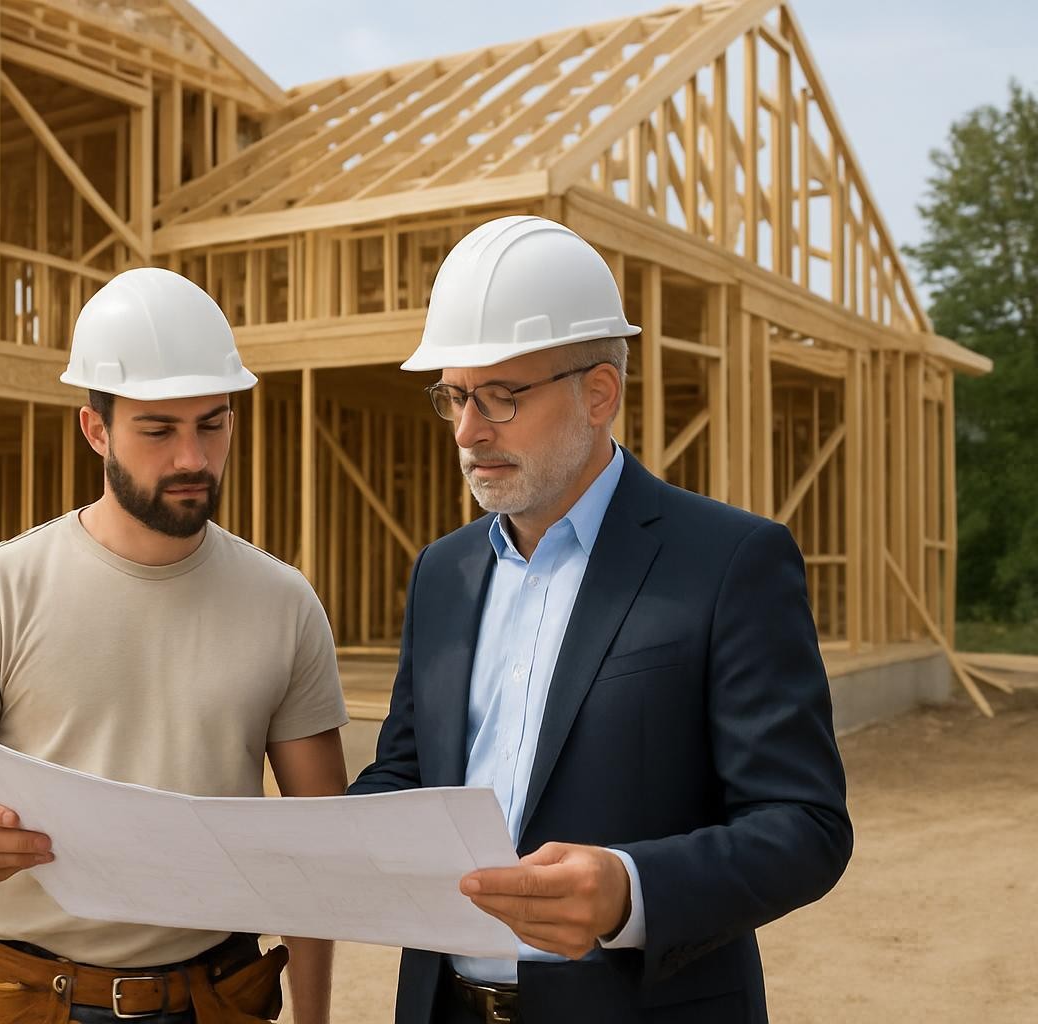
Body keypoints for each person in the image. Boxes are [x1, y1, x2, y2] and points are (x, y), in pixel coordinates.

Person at [349, 216, 852, 1023]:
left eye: (501, 397)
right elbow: (407, 774)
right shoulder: (443, 573)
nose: (469, 432)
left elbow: (806, 826)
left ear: (599, 393)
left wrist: (630, 889)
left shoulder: (728, 563)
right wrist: (320, 843)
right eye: (453, 396)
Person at [0, 267, 350, 1024]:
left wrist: (315, 1021)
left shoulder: (283, 603)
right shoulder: (2, 588)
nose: (192, 457)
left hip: (210, 1000)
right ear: (96, 429)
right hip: (16, 998)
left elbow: (317, 849)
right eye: (157, 429)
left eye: (212, 424)